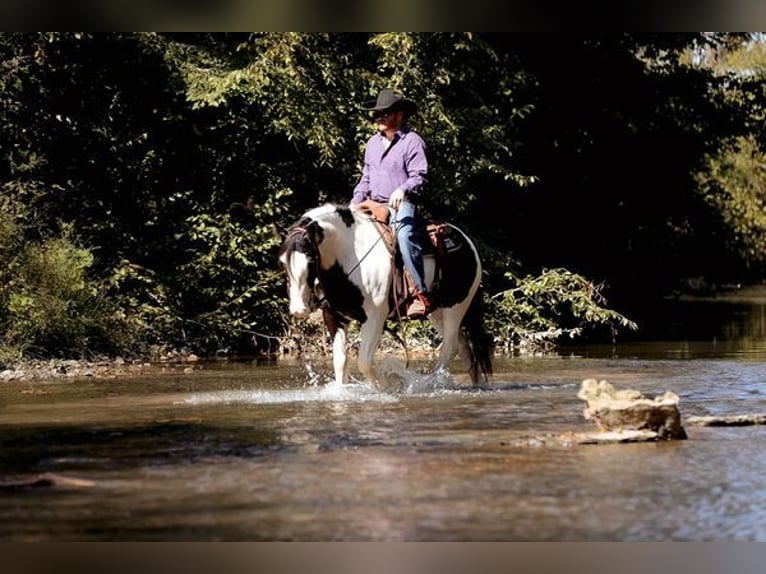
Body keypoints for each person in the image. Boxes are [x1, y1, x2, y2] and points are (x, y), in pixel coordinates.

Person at [351, 88, 433, 318]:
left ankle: (419, 293)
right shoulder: (372, 144)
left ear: (400, 115)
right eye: (377, 114)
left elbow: (420, 175)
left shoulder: (412, 142)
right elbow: (365, 178)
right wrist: (353, 204)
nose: (379, 118)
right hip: (372, 203)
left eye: (385, 114)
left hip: (401, 203)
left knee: (405, 235)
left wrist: (402, 189)